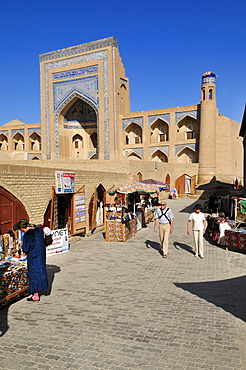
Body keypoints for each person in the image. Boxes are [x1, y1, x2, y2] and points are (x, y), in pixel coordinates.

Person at [17, 219, 48, 302]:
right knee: (41, 270)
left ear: (22, 229)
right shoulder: (38, 231)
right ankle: (40, 289)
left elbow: (26, 248)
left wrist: (23, 250)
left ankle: (35, 295)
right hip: (41, 254)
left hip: (33, 256)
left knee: (34, 274)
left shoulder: (28, 235)